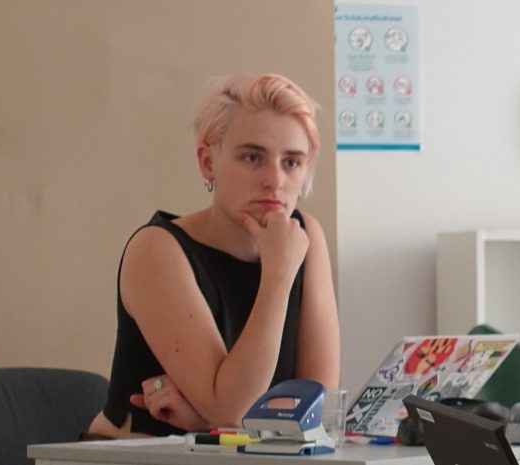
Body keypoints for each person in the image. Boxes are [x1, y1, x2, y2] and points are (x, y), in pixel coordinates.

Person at [86, 73, 340, 438]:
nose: (275, 180)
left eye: (291, 162)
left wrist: (208, 423)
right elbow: (231, 407)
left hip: (244, 457)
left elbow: (318, 405)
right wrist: (278, 275)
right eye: (252, 157)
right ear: (208, 162)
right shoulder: (156, 248)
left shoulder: (306, 236)